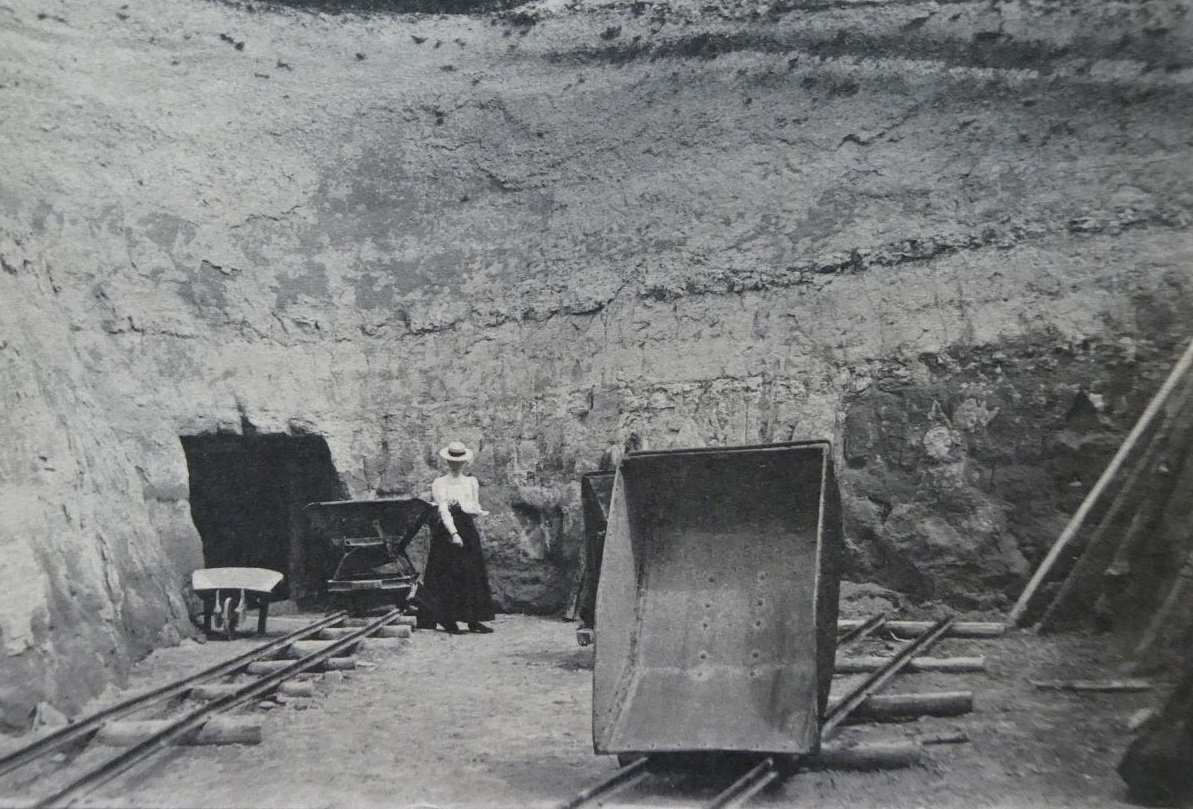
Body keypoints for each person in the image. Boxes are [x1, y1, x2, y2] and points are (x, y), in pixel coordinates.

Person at [420, 441, 496, 634]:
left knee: (472, 573)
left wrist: (470, 510)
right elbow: (443, 510)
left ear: (464, 462)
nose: (456, 465)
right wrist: (454, 533)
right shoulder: (440, 483)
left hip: (467, 528)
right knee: (448, 575)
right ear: (447, 462)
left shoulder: (471, 482)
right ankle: (448, 619)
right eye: (452, 462)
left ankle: (473, 619)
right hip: (447, 531)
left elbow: (474, 506)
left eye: (459, 462)